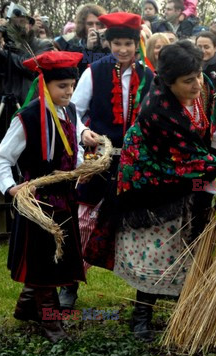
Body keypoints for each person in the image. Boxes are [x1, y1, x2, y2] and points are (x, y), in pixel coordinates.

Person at [115, 40, 216, 341]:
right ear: (168, 82)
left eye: (198, 74)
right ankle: (141, 315)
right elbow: (189, 157)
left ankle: (186, 310)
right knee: (159, 244)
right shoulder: (158, 110)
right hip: (152, 177)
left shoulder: (201, 84)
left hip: (186, 172)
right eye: (187, 80)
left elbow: (208, 126)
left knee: (186, 239)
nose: (196, 84)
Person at [0, 51, 86, 342]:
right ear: (45, 85)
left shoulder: (69, 111)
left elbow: (75, 142)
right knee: (44, 261)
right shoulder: (28, 117)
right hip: (39, 203)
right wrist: (11, 187)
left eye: (72, 85)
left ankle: (25, 308)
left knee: (54, 259)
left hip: (64, 200)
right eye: (62, 86)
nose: (69, 91)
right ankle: (52, 323)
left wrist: (84, 155)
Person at [69, 12, 154, 309]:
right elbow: (74, 111)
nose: (122, 49)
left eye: (128, 44)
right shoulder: (94, 72)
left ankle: (144, 295)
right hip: (100, 159)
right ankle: (69, 284)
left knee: (137, 224)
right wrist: (84, 132)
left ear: (136, 44)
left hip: (134, 163)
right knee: (84, 221)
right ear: (109, 43)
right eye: (116, 43)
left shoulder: (149, 76)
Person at [53, 3, 108, 77]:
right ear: (83, 25)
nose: (94, 28)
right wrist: (88, 50)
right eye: (90, 24)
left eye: (98, 24)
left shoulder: (109, 43)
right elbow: (76, 72)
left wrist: (106, 48)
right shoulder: (71, 43)